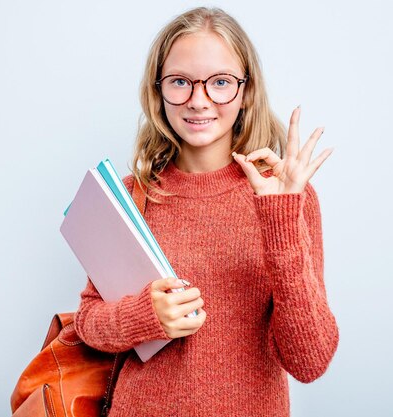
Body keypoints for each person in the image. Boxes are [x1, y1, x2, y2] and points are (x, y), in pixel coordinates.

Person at [74, 6, 339, 417]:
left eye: (219, 83)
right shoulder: (131, 196)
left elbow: (309, 361)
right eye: (180, 82)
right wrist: (144, 317)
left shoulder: (286, 196)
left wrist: (280, 216)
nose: (199, 101)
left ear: (246, 91)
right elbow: (88, 322)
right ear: (158, 90)